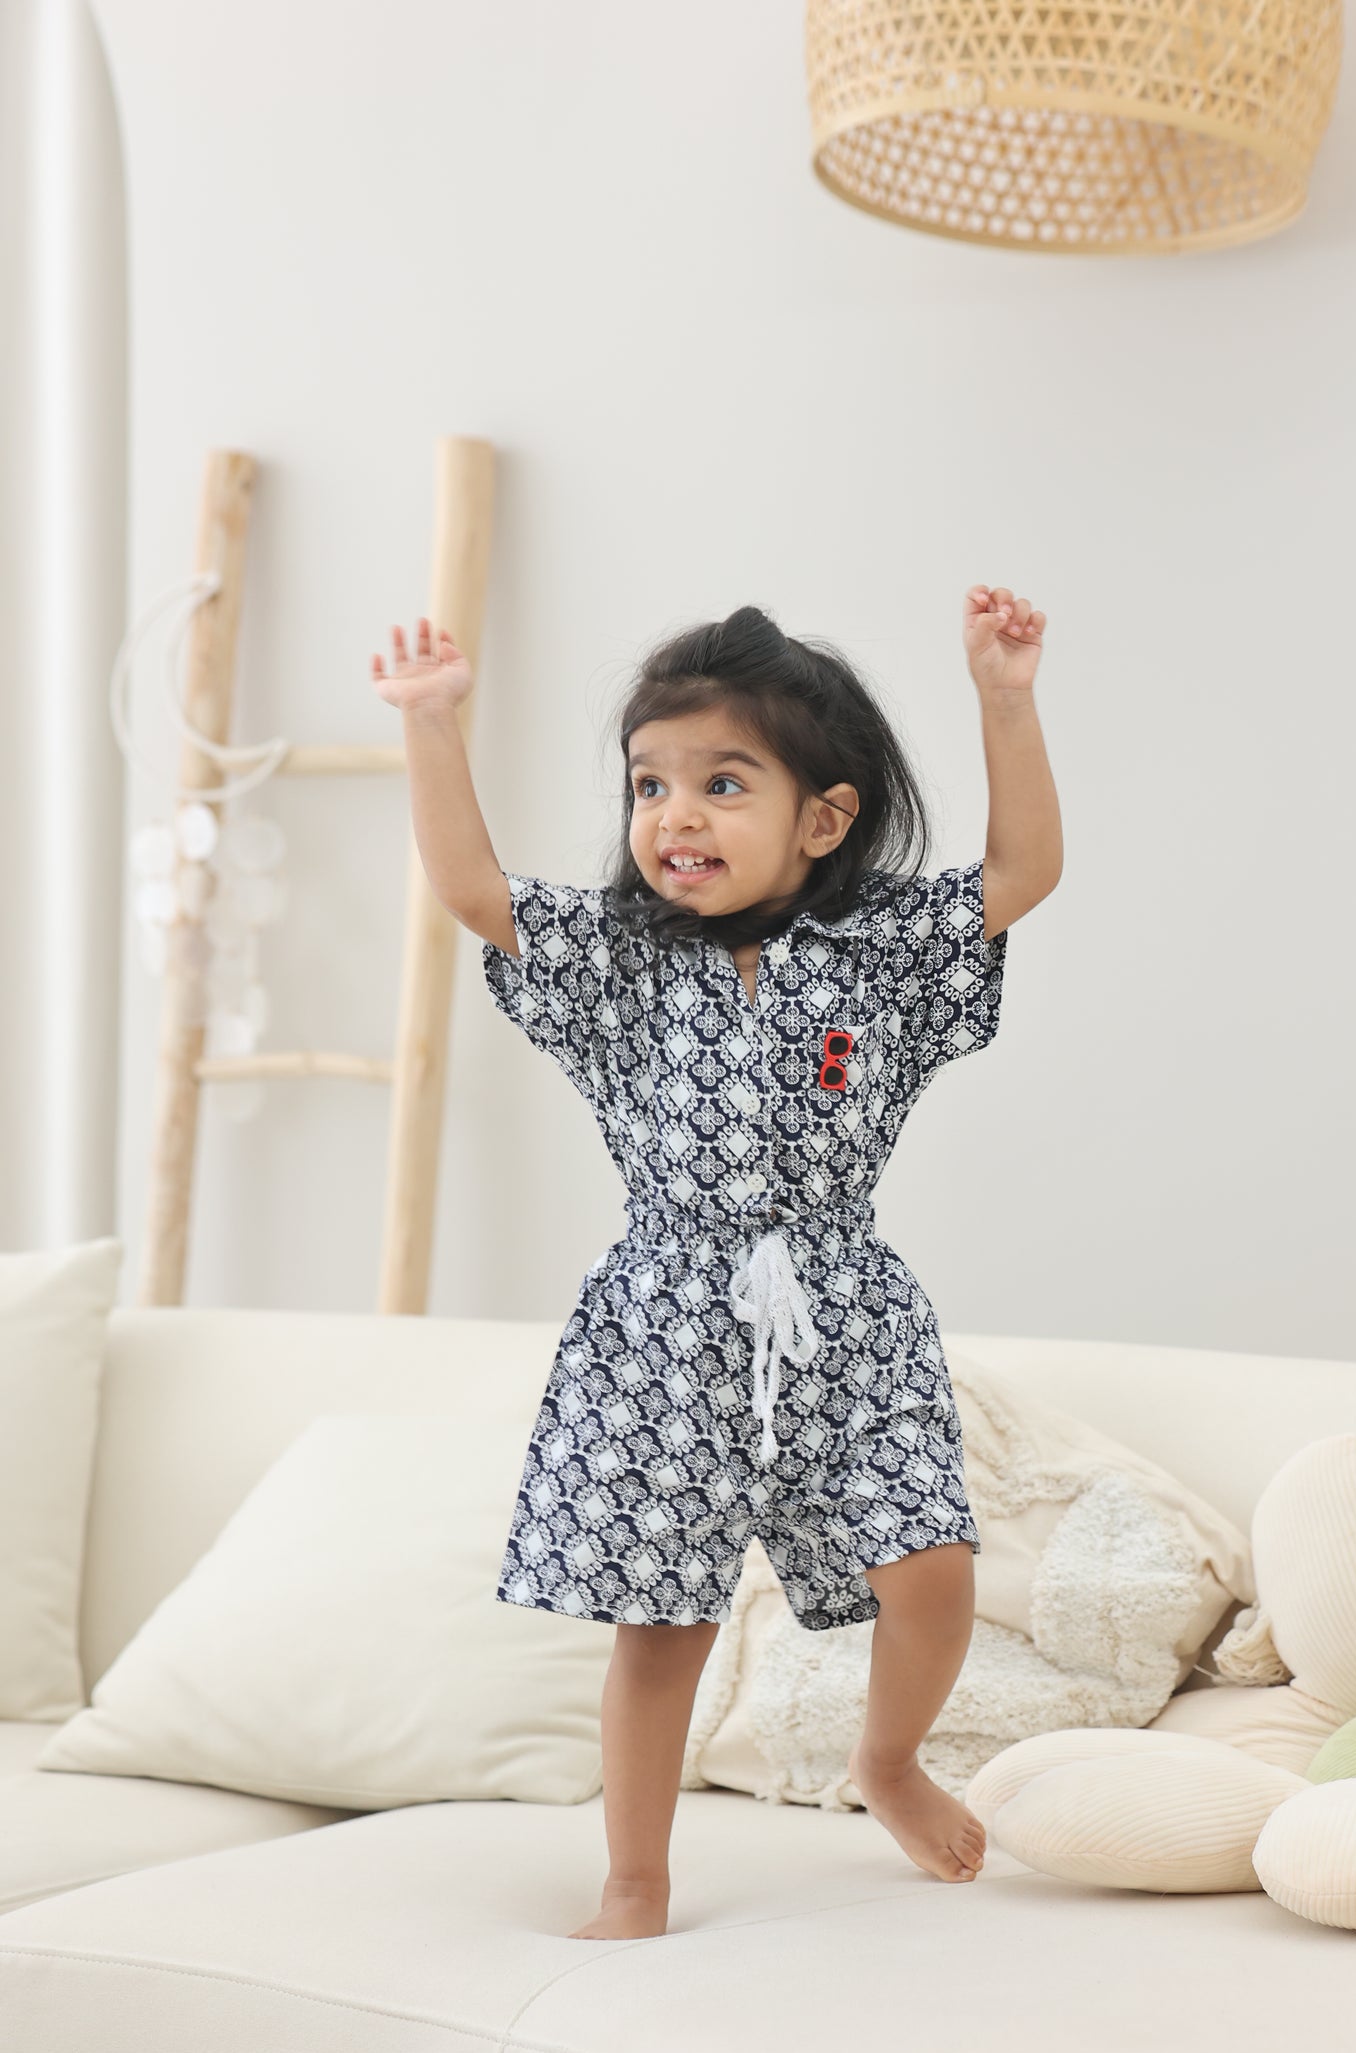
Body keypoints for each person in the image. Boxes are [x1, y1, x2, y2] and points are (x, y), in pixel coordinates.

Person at [372, 590, 1062, 1939]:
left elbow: (1021, 875)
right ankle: (636, 1876)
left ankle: (886, 1760)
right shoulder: (614, 963)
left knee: (929, 1567)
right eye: (649, 785)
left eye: (720, 784)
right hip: (661, 1325)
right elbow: (469, 887)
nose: (673, 816)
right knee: (662, 1618)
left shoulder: (879, 961)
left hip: (845, 1311)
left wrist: (1003, 699)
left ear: (822, 819)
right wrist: (433, 725)